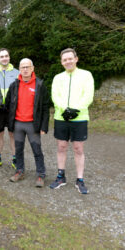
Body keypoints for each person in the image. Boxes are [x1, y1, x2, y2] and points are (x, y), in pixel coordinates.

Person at [50, 48, 94, 194]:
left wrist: (76, 110)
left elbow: (88, 95)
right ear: (62, 62)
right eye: (65, 60)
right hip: (61, 117)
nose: (68, 61)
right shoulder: (57, 77)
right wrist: (65, 110)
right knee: (61, 147)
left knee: (78, 148)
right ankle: (61, 176)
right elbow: (55, 95)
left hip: (80, 117)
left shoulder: (86, 75)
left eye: (70, 58)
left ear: (76, 59)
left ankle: (80, 179)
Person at [7, 58, 49, 187]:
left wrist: (44, 126)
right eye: (22, 67)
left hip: (33, 125)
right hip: (18, 124)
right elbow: (8, 104)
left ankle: (41, 175)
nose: (25, 69)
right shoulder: (14, 85)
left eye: (27, 67)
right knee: (18, 150)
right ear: (19, 69)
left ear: (32, 68)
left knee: (37, 150)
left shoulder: (40, 85)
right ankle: (20, 171)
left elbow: (46, 107)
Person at [0, 48, 19, 169]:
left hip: (12, 108)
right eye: (2, 56)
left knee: (13, 134)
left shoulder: (17, 72)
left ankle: (15, 158)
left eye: (6, 56)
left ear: (9, 57)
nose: (4, 58)